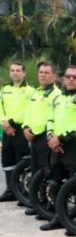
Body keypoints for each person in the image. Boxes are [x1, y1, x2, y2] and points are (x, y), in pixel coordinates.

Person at [41, 65, 76, 231]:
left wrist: (61, 138)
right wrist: (51, 137)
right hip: (56, 146)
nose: (71, 79)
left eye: (75, 77)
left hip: (74, 146)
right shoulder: (58, 98)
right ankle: (59, 216)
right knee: (56, 182)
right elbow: (50, 119)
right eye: (68, 76)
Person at [23, 62, 62, 217]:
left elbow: (50, 117)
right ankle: (37, 203)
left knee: (46, 172)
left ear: (53, 75)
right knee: (35, 171)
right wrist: (26, 127)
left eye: (46, 72)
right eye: (41, 72)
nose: (43, 75)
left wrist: (35, 131)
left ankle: (49, 206)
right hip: (32, 137)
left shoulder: (57, 94)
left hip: (45, 137)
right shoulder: (36, 93)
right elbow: (29, 113)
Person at [0, 61, 34, 202]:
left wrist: (11, 122)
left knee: (22, 160)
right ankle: (10, 190)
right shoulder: (4, 89)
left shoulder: (30, 90)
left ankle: (22, 191)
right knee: (7, 159)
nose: (15, 73)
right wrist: (4, 123)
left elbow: (28, 110)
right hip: (6, 129)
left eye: (18, 70)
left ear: (24, 73)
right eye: (13, 70)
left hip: (21, 129)